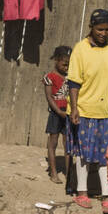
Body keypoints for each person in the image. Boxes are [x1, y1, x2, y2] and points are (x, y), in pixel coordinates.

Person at [66, 9, 108, 210]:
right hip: (83, 109)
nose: (103, 33)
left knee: (105, 153)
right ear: (91, 27)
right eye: (99, 29)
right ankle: (82, 192)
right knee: (83, 152)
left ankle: (106, 194)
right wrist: (74, 108)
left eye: (107, 30)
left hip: (104, 110)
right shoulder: (80, 49)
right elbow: (73, 82)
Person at [43, 46, 72, 182]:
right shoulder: (50, 77)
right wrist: (59, 111)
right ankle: (53, 172)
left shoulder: (71, 78)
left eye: (69, 65)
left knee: (68, 144)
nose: (66, 67)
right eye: (64, 64)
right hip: (56, 114)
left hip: (68, 114)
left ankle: (69, 174)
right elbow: (49, 97)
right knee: (53, 143)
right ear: (56, 60)